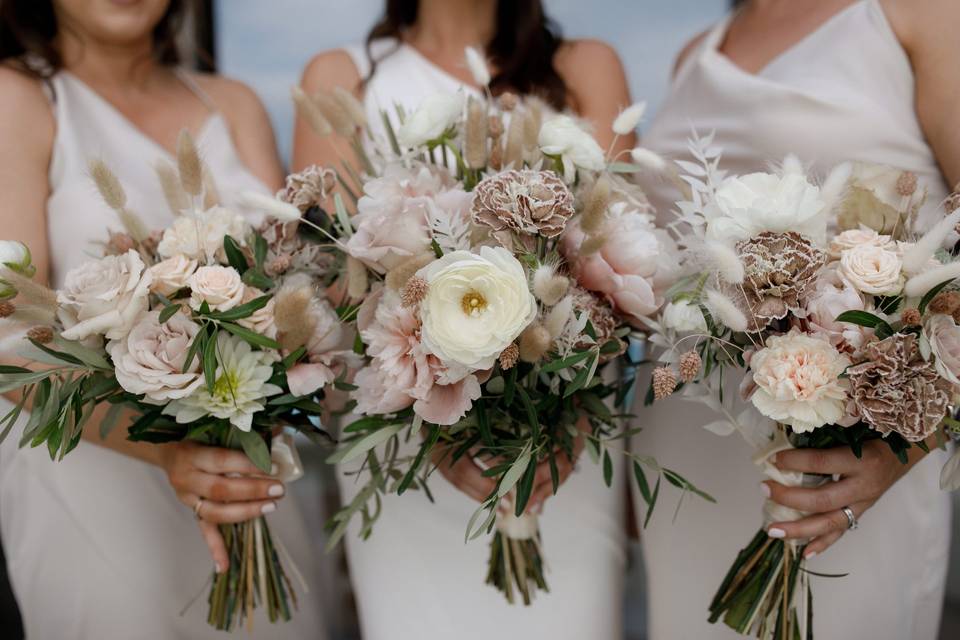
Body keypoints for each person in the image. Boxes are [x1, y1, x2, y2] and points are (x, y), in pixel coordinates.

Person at [293, 1, 635, 638]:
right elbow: (339, 285)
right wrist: (442, 429)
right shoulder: (337, 81)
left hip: (562, 450)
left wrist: (568, 428)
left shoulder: (586, 68)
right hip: (404, 453)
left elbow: (616, 271)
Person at [633, 0, 959, 638]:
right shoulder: (695, 51)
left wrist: (908, 445)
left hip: (853, 448)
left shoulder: (917, 14)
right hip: (688, 438)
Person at [0, 1, 324, 637]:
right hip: (94, 488)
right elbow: (10, 343)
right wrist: (172, 453)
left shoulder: (233, 105)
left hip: (250, 481)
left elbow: (298, 286)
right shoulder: (20, 99)